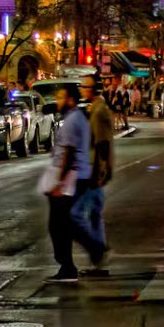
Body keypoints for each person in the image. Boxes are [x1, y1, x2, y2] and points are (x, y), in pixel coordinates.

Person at [44, 86, 105, 283]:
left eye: (60, 97)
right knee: (64, 222)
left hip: (72, 178)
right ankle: (75, 261)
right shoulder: (78, 118)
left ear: (70, 100)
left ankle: (83, 256)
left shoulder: (71, 121)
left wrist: (60, 183)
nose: (57, 100)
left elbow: (69, 153)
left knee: (60, 224)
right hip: (78, 175)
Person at [77, 75, 117, 277]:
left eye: (84, 86)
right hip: (96, 168)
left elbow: (102, 142)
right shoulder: (96, 108)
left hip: (94, 169)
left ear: (92, 89)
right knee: (94, 214)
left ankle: (98, 251)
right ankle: (98, 260)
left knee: (76, 214)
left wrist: (100, 170)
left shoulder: (99, 111)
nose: (81, 89)